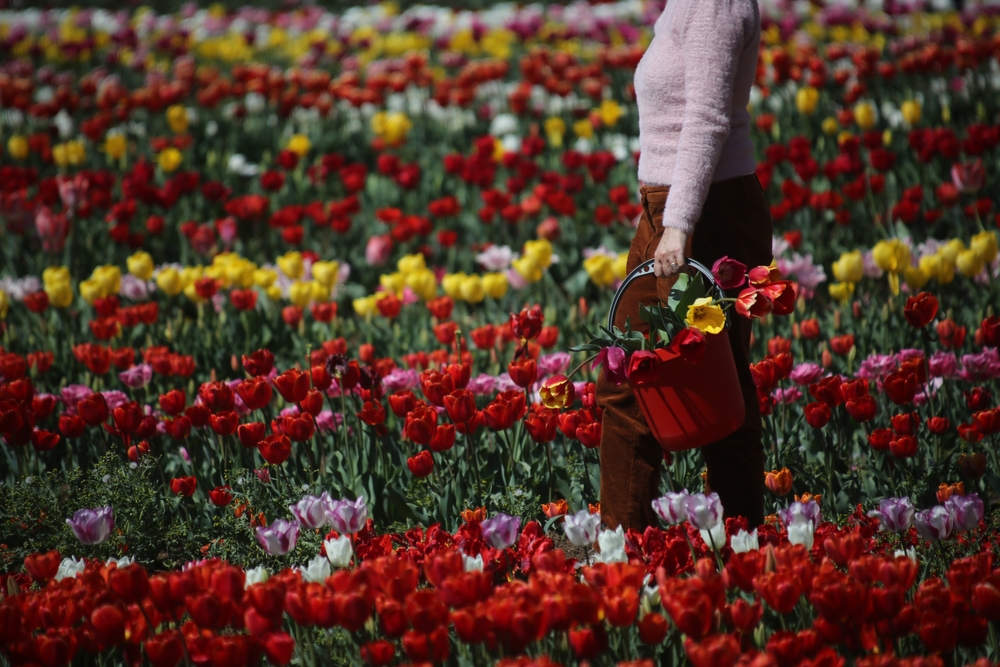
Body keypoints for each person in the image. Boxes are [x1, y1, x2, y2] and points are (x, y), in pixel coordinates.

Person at [597, 0, 772, 530]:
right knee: (639, 375)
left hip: (702, 213)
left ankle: (723, 545)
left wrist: (678, 223)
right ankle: (637, 545)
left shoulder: (715, 4)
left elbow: (707, 117)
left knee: (698, 386)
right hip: (675, 207)